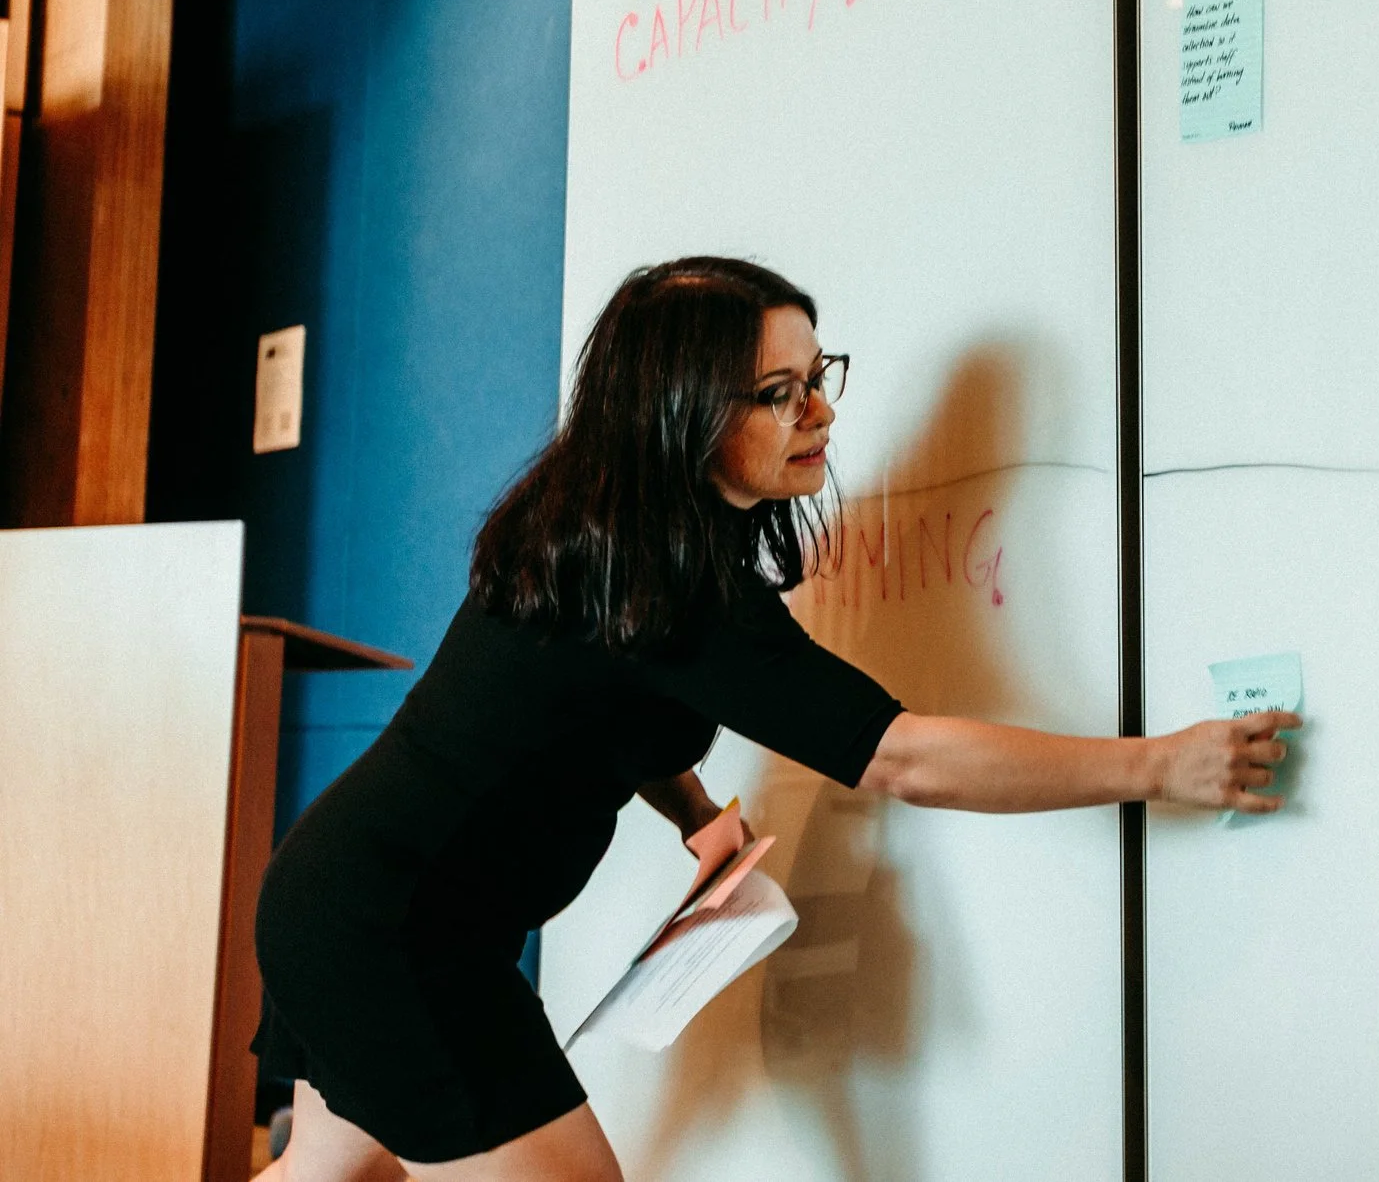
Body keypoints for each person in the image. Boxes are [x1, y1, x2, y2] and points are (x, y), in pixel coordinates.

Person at [252, 256, 1295, 1181]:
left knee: (325, 1172)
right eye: (776, 393)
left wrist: (695, 807)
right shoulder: (675, 586)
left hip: (342, 896)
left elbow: (598, 707)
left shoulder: (599, 531)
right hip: (395, 933)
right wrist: (1159, 763)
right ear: (682, 408)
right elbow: (904, 757)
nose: (821, 415)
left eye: (818, 378)